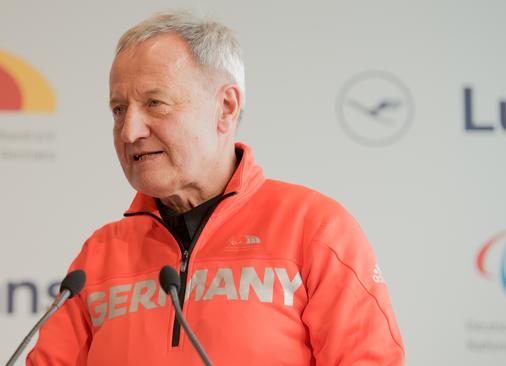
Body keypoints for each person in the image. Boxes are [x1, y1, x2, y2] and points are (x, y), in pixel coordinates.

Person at [27, 10, 405, 366]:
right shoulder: (100, 255)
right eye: (119, 110)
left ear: (225, 107)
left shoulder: (314, 229)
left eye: (155, 103)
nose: (130, 132)